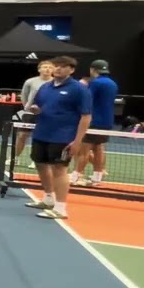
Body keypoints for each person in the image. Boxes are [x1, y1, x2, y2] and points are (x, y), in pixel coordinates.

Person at [24, 55, 91, 220]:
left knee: (59, 169)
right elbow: (40, 106)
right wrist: (36, 110)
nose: (58, 69)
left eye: (63, 66)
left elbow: (86, 116)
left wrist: (77, 141)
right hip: (41, 132)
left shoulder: (79, 89)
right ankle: (48, 199)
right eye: (56, 66)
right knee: (40, 164)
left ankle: (61, 208)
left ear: (71, 70)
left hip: (63, 136)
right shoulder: (45, 87)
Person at [72, 59, 118, 186]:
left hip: (94, 121)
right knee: (98, 148)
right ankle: (97, 177)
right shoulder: (112, 83)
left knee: (84, 150)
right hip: (107, 121)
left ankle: (76, 176)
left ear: (93, 70)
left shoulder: (95, 83)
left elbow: (87, 100)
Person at [14, 60, 54, 168]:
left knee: (41, 138)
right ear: (39, 69)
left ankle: (36, 160)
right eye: (45, 67)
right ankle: (15, 158)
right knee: (22, 135)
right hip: (29, 113)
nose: (47, 69)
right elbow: (24, 95)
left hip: (47, 115)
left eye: (50, 67)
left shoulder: (56, 82)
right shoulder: (30, 82)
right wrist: (27, 107)